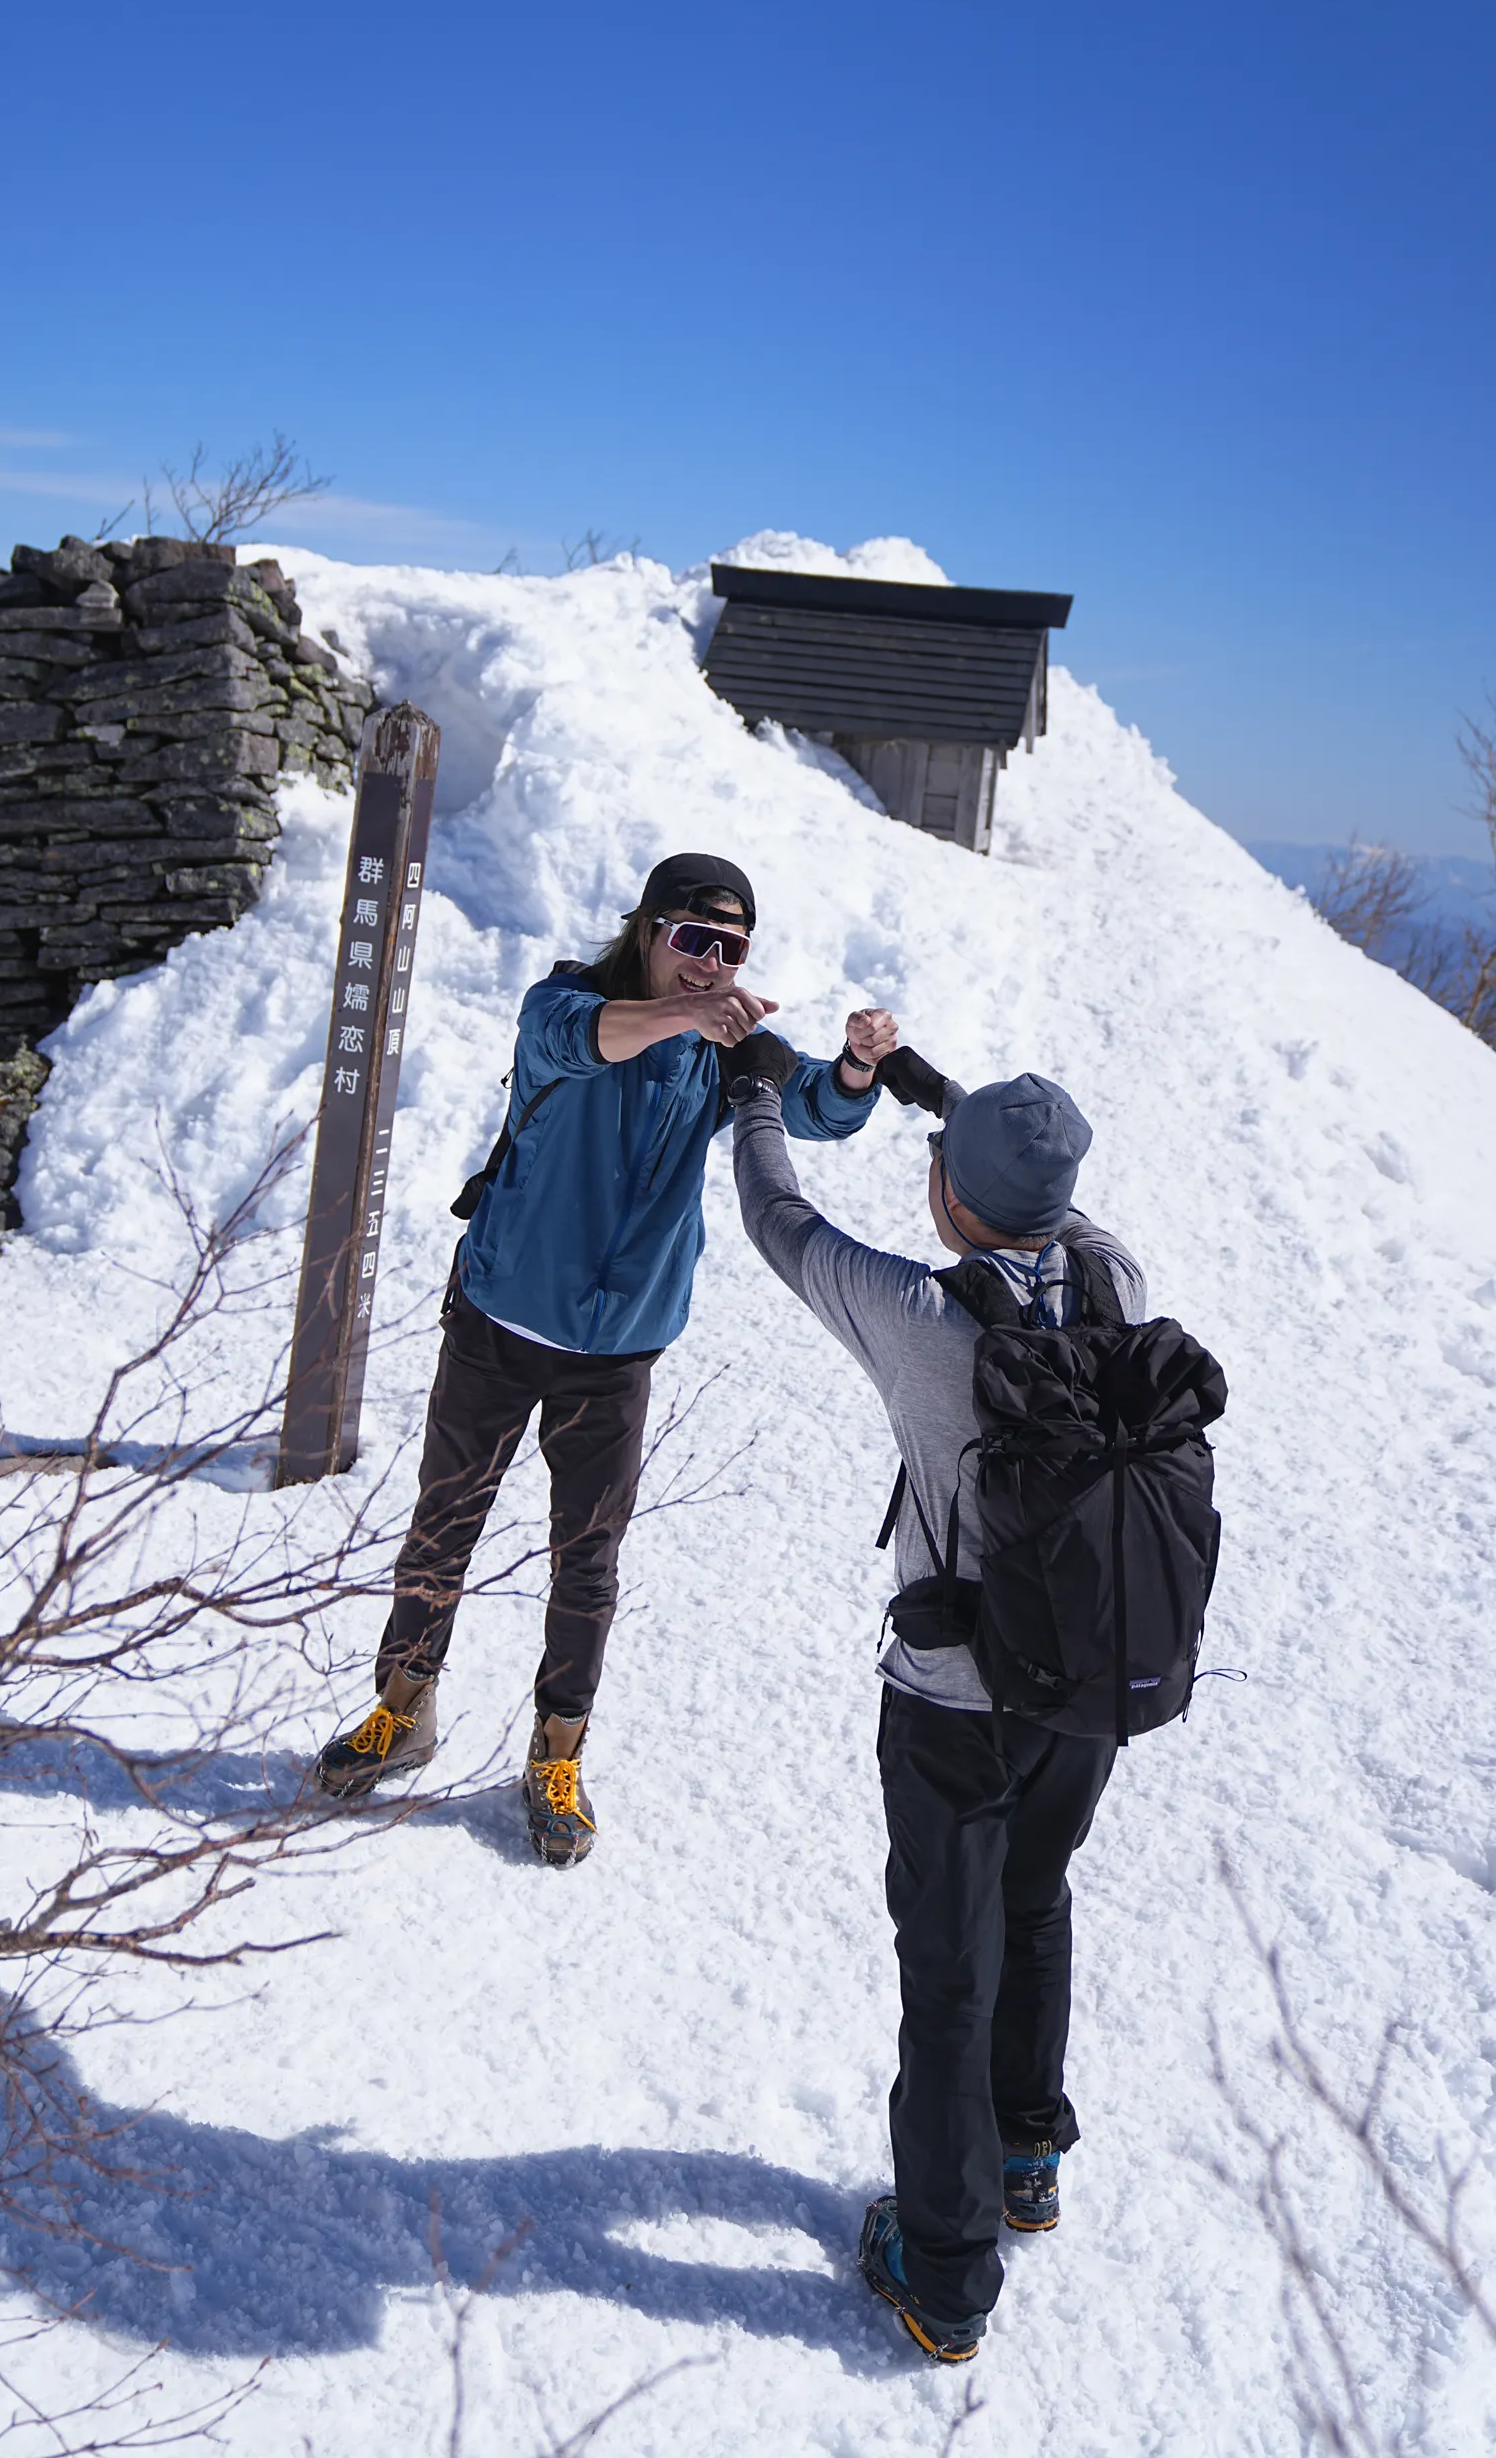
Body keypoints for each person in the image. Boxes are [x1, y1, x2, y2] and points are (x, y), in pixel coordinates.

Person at [313, 851, 898, 1863]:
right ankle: (401, 1710)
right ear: (646, 931)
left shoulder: (721, 1046)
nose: (710, 965)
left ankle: (555, 1752)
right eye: (691, 941)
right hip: (500, 1315)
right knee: (443, 1525)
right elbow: (585, 1042)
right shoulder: (565, 1006)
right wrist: (689, 1016)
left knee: (587, 1560)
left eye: (730, 949)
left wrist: (852, 1068)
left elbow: (809, 1104)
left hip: (617, 1346)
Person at [726, 1043, 1147, 2363]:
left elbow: (776, 1217)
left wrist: (755, 1088)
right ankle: (1029, 2155)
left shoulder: (915, 1314)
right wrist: (931, 1095)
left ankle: (945, 2274)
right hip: (1087, 1683)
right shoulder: (1114, 1279)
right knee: (1038, 1899)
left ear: (955, 1199)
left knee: (947, 1971)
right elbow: (1044, 1195)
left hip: (954, 1700)